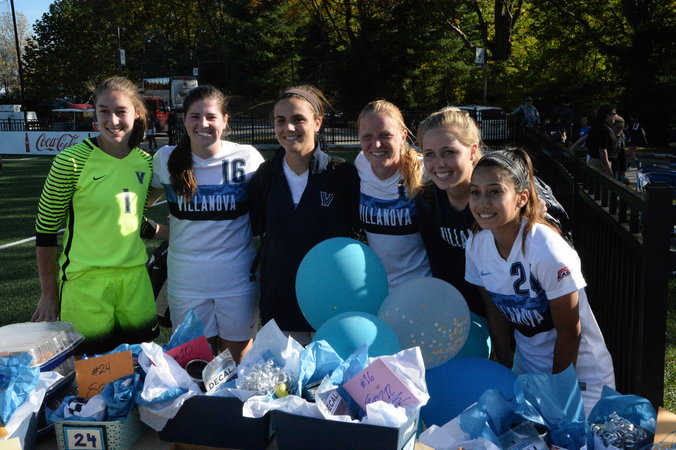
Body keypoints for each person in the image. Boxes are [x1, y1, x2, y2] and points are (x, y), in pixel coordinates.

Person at [465, 149, 615, 415]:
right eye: (475, 192)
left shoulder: (546, 249)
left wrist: (557, 393)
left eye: (495, 192)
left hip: (580, 376)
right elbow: (495, 313)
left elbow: (570, 332)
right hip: (528, 371)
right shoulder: (476, 245)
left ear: (521, 198)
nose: (482, 203)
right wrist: (507, 372)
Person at [33, 77, 159, 355]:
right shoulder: (70, 162)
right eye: (104, 111)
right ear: (95, 114)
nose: (112, 120)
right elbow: (45, 230)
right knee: (93, 371)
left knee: (143, 364)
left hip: (136, 281)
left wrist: (173, 231)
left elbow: (133, 218)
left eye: (121, 111)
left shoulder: (146, 163)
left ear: (137, 113)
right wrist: (49, 294)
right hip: (85, 284)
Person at [148, 85, 263, 362]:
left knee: (239, 361)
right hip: (186, 281)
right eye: (195, 116)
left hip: (237, 279)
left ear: (225, 120)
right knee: (195, 364)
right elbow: (140, 204)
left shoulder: (247, 157)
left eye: (211, 116)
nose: (203, 123)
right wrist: (161, 231)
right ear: (184, 119)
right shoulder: (165, 158)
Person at [248, 85, 360, 344]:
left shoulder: (342, 175)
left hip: (332, 306)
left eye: (298, 119)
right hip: (281, 305)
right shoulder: (265, 176)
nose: (289, 128)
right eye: (281, 120)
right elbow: (256, 229)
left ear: (317, 123)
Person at [416, 107, 486, 317]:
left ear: (472, 151)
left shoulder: (496, 196)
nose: (439, 163)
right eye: (430, 154)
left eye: (449, 152)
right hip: (462, 313)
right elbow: (440, 268)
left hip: (512, 315)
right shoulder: (428, 199)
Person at [356, 100, 431, 289]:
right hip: (377, 289)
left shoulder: (425, 170)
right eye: (367, 136)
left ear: (403, 136)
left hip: (420, 289)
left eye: (385, 135)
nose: (376, 144)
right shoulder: (361, 164)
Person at [586, 104, 617, 175]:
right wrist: (608, 169)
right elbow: (602, 150)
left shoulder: (595, 126)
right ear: (607, 115)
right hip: (600, 164)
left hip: (593, 161)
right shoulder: (605, 129)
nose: (615, 116)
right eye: (614, 114)